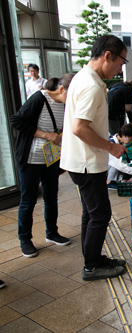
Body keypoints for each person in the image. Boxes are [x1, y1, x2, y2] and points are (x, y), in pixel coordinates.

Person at [60, 34, 128, 281]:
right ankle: (91, 266)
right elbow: (80, 128)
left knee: (91, 213)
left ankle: (94, 259)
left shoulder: (83, 77)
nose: (121, 68)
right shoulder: (90, 84)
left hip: (81, 161)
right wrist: (111, 148)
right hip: (87, 162)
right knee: (100, 214)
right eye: (121, 62)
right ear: (107, 55)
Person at [11, 73, 75, 258]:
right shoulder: (39, 98)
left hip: (51, 158)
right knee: (28, 200)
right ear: (62, 89)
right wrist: (46, 135)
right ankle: (25, 239)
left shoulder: (64, 105)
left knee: (51, 196)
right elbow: (16, 121)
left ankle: (52, 233)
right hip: (31, 158)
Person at [107, 124, 132, 190]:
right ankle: (109, 182)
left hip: (107, 165)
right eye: (131, 139)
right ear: (123, 135)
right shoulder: (112, 144)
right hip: (103, 166)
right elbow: (119, 165)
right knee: (116, 163)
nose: (131, 141)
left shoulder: (118, 141)